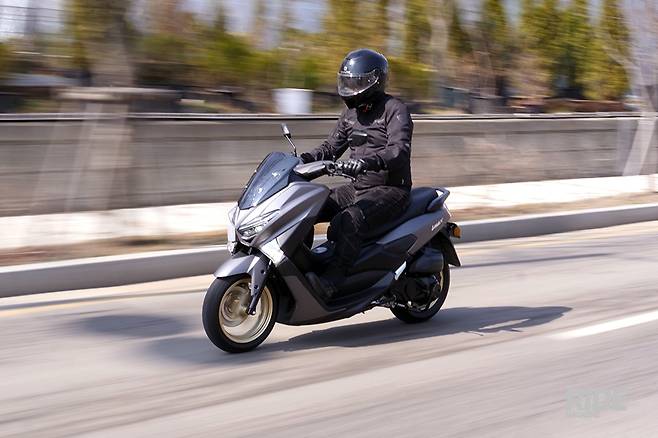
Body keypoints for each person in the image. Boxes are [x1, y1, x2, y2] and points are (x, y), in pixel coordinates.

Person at [301, 48, 413, 299]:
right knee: (306, 206)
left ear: (375, 81)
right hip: (357, 186)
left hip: (391, 189)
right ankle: (301, 268)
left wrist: (367, 162)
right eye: (348, 82)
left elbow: (399, 150)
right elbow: (330, 148)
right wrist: (301, 160)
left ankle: (333, 281)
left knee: (349, 220)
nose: (351, 88)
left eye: (357, 82)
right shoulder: (350, 114)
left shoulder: (394, 109)